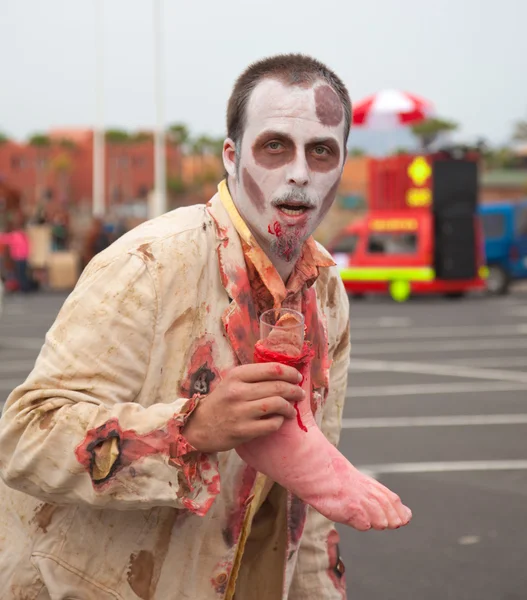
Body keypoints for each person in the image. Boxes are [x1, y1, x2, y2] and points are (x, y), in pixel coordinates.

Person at [0, 54, 411, 600]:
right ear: (231, 155)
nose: (299, 173)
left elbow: (310, 509)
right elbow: (24, 437)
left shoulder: (326, 293)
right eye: (274, 146)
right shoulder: (150, 262)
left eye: (320, 151)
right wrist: (188, 431)